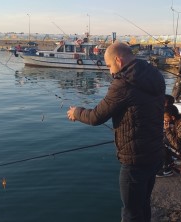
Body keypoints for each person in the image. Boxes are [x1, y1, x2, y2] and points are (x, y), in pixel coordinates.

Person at [67, 42, 166, 222]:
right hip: (155, 152)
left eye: (109, 66)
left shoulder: (123, 84)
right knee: (143, 204)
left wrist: (77, 112)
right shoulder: (155, 74)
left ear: (118, 61)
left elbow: (96, 116)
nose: (110, 72)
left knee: (130, 212)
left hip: (134, 159)